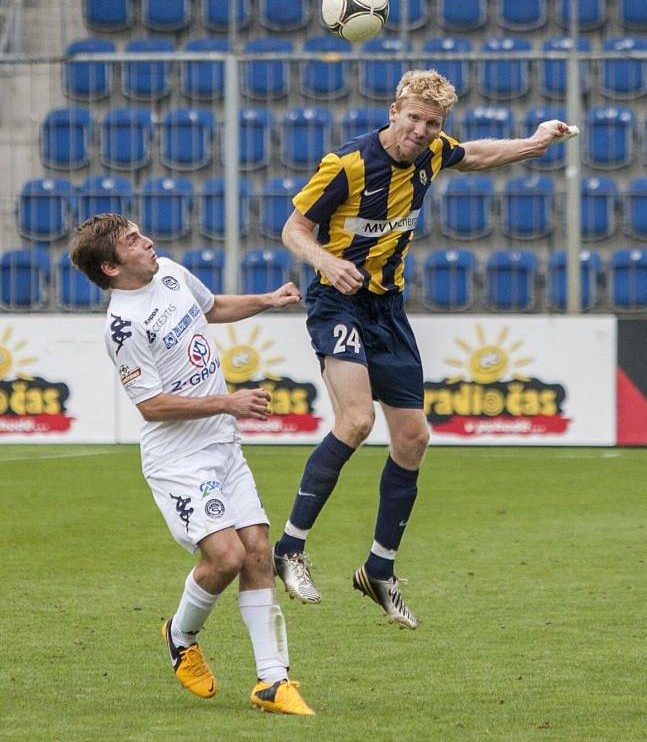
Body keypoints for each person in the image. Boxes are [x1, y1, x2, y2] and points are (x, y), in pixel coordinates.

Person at [272, 69, 576, 629]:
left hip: (388, 310)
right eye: (413, 117)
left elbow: (476, 154)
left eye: (431, 123)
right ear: (394, 111)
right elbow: (293, 229)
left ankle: (379, 570)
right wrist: (325, 261)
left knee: (413, 438)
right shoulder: (347, 165)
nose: (420, 130)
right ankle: (289, 548)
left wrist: (534, 143)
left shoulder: (434, 153)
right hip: (338, 302)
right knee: (357, 420)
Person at [69, 213, 314, 716]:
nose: (149, 240)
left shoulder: (170, 272)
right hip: (178, 458)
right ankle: (180, 636)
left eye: (143, 230)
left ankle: (273, 681)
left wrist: (267, 300)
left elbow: (213, 307)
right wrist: (229, 402)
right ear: (112, 267)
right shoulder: (123, 326)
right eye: (134, 241)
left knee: (257, 551)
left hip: (222, 444)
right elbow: (151, 405)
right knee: (226, 557)